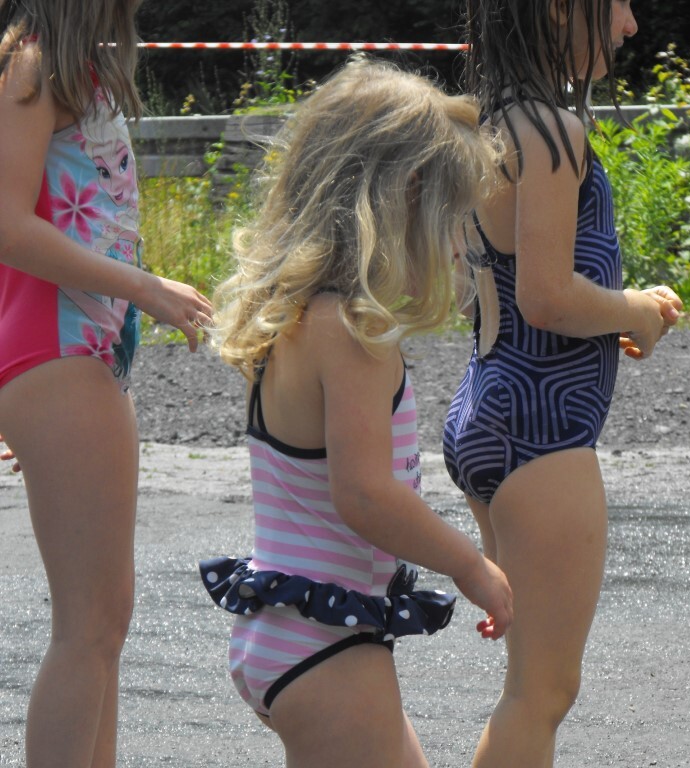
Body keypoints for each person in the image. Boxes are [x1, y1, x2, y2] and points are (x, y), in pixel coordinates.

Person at [198, 57, 513, 768]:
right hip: (327, 643)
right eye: (452, 220)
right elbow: (365, 494)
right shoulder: (352, 331)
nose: (458, 245)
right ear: (404, 199)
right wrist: (470, 566)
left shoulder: (296, 316)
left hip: (290, 626)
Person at [442, 1, 682, 765]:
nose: (630, 24)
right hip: (540, 432)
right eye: (617, 3)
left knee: (529, 688)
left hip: (488, 409)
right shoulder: (553, 132)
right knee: (540, 694)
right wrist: (635, 311)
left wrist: (614, 311)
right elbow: (545, 296)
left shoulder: (488, 127)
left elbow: (482, 291)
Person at [0, 0, 214, 766]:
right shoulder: (31, 65)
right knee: (87, 627)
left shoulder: (72, 67)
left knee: (103, 625)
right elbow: (6, 226)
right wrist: (146, 287)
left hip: (82, 356)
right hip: (56, 352)